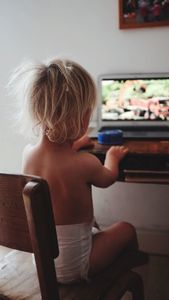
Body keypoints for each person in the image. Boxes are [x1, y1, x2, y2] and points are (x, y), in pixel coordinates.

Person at [8, 58, 138, 283]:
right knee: (126, 229)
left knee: (94, 227)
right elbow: (108, 177)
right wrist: (112, 157)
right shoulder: (85, 163)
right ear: (79, 118)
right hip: (77, 266)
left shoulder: (28, 154)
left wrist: (74, 144)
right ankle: (125, 269)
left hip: (42, 260)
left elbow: (57, 158)